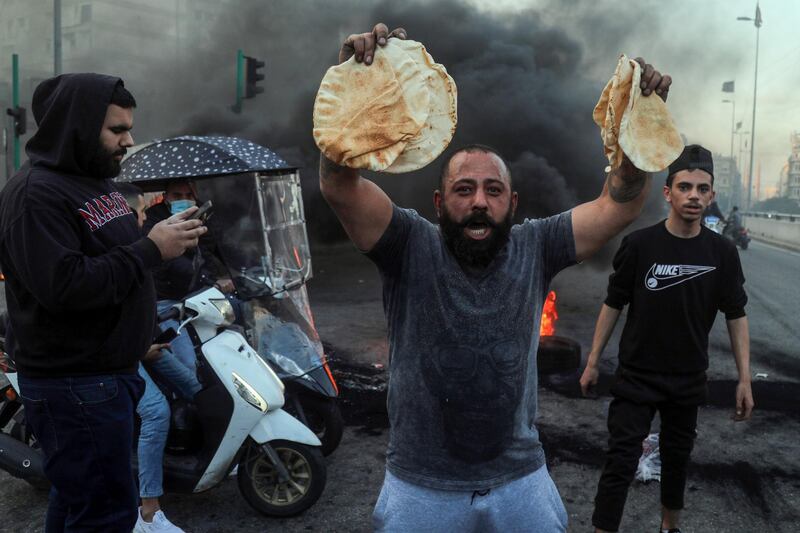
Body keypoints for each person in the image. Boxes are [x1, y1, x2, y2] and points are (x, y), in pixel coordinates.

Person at [319, 23, 672, 532]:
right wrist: (355, 97)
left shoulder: (536, 245)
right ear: (440, 203)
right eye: (464, 190)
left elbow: (619, 204)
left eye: (492, 190)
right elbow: (338, 185)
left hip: (519, 481)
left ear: (512, 203)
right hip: (421, 487)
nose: (479, 202)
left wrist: (638, 127)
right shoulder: (409, 244)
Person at [0, 74, 207, 532]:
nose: (128, 140)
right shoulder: (35, 195)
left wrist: (172, 246)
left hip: (111, 377)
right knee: (106, 515)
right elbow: (65, 287)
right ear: (77, 125)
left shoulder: (101, 186)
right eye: (116, 129)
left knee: (79, 506)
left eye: (129, 127)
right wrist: (150, 248)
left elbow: (123, 263)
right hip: (75, 386)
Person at [579, 144, 754, 533]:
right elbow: (613, 303)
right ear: (668, 192)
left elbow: (736, 314)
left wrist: (744, 379)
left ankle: (668, 527)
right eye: (685, 186)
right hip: (637, 375)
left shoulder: (722, 252)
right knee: (620, 460)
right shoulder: (640, 246)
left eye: (702, 189)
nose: (694, 195)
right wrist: (593, 361)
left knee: (677, 460)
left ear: (711, 196)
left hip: (688, 377)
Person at [118, 183, 202, 533]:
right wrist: (141, 348)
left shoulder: (143, 246)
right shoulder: (120, 254)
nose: (143, 217)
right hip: (126, 351)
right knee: (156, 411)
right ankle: (148, 512)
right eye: (137, 212)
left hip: (148, 341)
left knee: (194, 386)